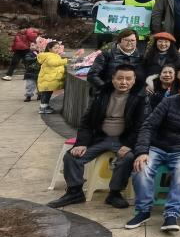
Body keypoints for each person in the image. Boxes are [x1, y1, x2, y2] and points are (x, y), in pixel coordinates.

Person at [48, 64, 147, 209]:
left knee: (128, 158)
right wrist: (81, 143)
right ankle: (75, 192)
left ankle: (114, 193)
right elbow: (86, 121)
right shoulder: (101, 94)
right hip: (100, 138)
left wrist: (129, 144)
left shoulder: (140, 98)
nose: (123, 82)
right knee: (72, 157)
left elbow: (140, 126)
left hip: (122, 140)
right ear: (113, 79)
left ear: (133, 80)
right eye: (120, 78)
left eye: (128, 79)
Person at [126, 77, 180, 232]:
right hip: (157, 146)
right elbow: (148, 126)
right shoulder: (169, 102)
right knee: (141, 168)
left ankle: (172, 214)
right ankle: (143, 210)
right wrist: (142, 151)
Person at [36, 40, 69, 115]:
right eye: (55, 48)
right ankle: (43, 108)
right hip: (48, 79)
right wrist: (65, 61)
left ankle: (45, 106)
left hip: (49, 79)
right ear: (49, 48)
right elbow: (53, 63)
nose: (57, 49)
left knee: (48, 93)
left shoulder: (53, 55)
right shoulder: (49, 55)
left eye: (58, 48)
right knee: (46, 93)